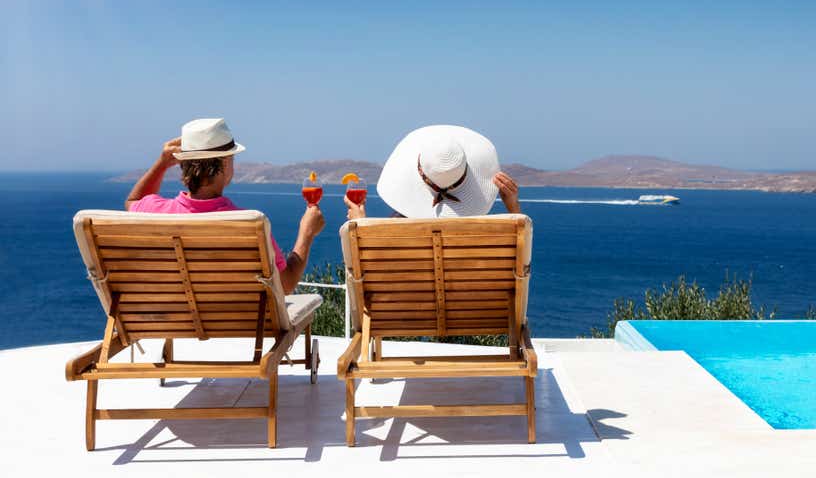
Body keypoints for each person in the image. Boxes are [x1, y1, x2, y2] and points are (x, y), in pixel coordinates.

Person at [126, 118, 325, 291]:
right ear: (223, 164)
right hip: (237, 325)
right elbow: (287, 284)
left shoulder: (153, 210)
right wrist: (306, 233)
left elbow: (133, 203)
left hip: (173, 324)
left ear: (182, 164)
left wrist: (160, 164)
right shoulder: (249, 223)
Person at [344, 124, 521, 220]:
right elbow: (520, 258)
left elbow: (361, 273)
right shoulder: (481, 238)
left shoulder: (393, 236)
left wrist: (359, 224)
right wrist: (513, 207)